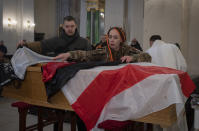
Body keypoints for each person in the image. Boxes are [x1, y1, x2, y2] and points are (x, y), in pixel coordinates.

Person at [53, 27, 151, 63]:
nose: (111, 40)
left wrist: (132, 58)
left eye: (115, 38)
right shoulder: (105, 51)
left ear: (121, 40)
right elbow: (86, 54)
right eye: (110, 37)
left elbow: (147, 56)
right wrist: (69, 54)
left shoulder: (127, 49)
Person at [17, 16, 92, 56]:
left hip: (78, 72)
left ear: (76, 26)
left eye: (72, 26)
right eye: (67, 26)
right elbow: (41, 45)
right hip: (61, 73)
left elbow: (90, 56)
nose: (70, 29)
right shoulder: (56, 40)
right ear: (63, 27)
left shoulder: (84, 42)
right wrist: (26, 45)